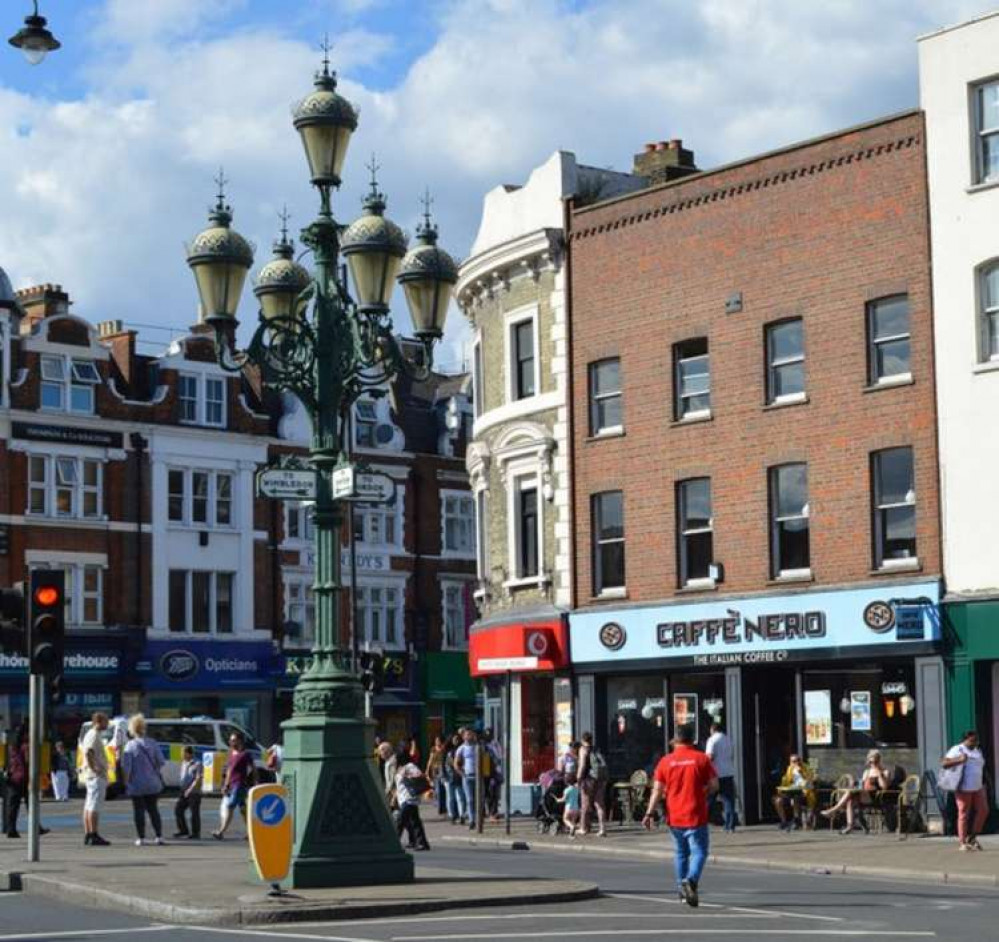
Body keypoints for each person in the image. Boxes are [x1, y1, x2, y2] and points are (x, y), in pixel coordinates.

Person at [642, 724, 718, 908]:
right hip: (696, 813)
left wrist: (649, 813)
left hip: (675, 815)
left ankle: (681, 891)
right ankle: (691, 881)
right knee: (700, 851)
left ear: (675, 740)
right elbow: (715, 785)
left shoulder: (665, 761)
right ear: (692, 739)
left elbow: (657, 790)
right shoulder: (701, 759)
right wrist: (704, 791)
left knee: (681, 853)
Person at [819, 749, 888, 834]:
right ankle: (849, 826)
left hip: (875, 796)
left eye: (875, 762)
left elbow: (884, 787)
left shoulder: (885, 771)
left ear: (879, 761)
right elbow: (862, 785)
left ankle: (834, 810)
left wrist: (879, 774)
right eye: (870, 762)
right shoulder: (867, 772)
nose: (872, 765)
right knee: (850, 801)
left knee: (850, 793)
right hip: (863, 794)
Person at [122, 714, 165, 846]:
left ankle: (141, 838)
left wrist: (126, 783)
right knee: (153, 810)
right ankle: (159, 836)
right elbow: (161, 762)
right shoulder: (153, 743)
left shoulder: (129, 746)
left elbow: (126, 768)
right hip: (152, 782)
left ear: (132, 729)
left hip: (137, 784)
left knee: (138, 810)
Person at [942, 730, 988, 851]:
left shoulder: (978, 750)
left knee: (983, 810)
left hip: (978, 786)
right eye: (972, 741)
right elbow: (944, 763)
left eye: (976, 740)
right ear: (965, 740)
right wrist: (960, 760)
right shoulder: (957, 749)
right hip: (964, 786)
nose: (974, 743)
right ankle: (962, 842)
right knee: (964, 813)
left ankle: (972, 837)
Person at [212, 730, 254, 840]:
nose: (231, 742)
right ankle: (251, 833)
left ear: (240, 741)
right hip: (232, 785)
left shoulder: (245, 754)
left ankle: (221, 831)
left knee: (230, 807)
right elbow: (229, 770)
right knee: (243, 810)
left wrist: (253, 781)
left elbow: (253, 769)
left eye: (234, 740)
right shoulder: (231, 753)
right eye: (230, 740)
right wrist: (225, 785)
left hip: (239, 785)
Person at [80, 712, 111, 846]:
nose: (107, 724)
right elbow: (89, 752)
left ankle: (88, 833)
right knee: (94, 805)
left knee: (89, 805)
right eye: (105, 721)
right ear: (98, 721)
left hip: (90, 775)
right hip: (95, 776)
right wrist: (95, 768)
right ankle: (94, 834)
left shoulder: (90, 734)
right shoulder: (93, 735)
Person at [395, 749, 431, 851]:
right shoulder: (400, 768)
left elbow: (418, 775)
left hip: (409, 798)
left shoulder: (409, 766)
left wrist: (407, 775)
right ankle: (422, 843)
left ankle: (394, 842)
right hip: (404, 798)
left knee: (400, 821)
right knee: (415, 822)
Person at [706, 723, 737, 833]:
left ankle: (701, 822)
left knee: (708, 800)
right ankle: (730, 826)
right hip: (728, 773)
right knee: (729, 801)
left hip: (715, 775)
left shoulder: (712, 740)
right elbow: (731, 755)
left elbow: (709, 757)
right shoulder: (728, 740)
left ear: (713, 729)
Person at [774, 754, 816, 831]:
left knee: (796, 798)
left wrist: (802, 772)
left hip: (805, 792)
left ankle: (796, 821)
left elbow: (811, 782)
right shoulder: (789, 769)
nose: (796, 763)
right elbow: (786, 782)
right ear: (790, 762)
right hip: (791, 791)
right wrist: (783, 786)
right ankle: (784, 821)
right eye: (794, 761)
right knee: (777, 801)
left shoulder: (806, 768)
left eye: (798, 760)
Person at [578, 731, 608, 837]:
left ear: (582, 740)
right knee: (599, 804)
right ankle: (602, 829)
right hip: (600, 778)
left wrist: (578, 778)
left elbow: (582, 766)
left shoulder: (583, 749)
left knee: (585, 804)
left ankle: (583, 828)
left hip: (589, 779)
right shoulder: (596, 749)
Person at [173, 745, 203, 840]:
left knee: (194, 813)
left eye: (183, 753)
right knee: (178, 809)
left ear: (189, 753)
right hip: (183, 791)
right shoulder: (184, 763)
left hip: (194, 792)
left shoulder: (197, 764)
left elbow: (198, 778)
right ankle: (183, 830)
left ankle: (195, 833)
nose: (182, 755)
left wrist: (190, 789)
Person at [4, 725, 28, 838]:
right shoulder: (24, 747)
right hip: (22, 778)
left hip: (13, 778)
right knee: (30, 804)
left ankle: (11, 829)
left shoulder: (11, 747)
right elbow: (27, 762)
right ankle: (36, 827)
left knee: (13, 805)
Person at [454, 728, 479, 830]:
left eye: (470, 734)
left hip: (477, 776)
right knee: (470, 800)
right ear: (463, 736)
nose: (469, 736)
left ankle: (477, 819)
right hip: (467, 776)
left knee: (478, 800)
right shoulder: (461, 748)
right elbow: (456, 763)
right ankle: (472, 820)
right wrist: (461, 773)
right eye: (467, 735)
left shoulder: (477, 747)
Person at [443, 732, 467, 824]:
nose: (456, 740)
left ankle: (462, 816)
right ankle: (452, 816)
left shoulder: (461, 750)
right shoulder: (447, 751)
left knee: (460, 797)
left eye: (457, 739)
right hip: (449, 777)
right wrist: (444, 775)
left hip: (458, 776)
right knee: (450, 798)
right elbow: (443, 764)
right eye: (454, 739)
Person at [425, 735, 448, 817]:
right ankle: (440, 808)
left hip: (443, 770)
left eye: (438, 740)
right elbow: (430, 760)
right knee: (438, 790)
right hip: (435, 771)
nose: (436, 742)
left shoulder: (445, 749)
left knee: (444, 790)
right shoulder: (433, 749)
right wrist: (427, 770)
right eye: (436, 740)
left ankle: (444, 807)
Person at [559, 772, 582, 836]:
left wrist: (558, 800)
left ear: (566, 781)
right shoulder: (577, 789)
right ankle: (571, 834)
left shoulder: (566, 790)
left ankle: (571, 827)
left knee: (565, 819)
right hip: (576, 808)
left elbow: (564, 799)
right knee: (573, 821)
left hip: (568, 808)